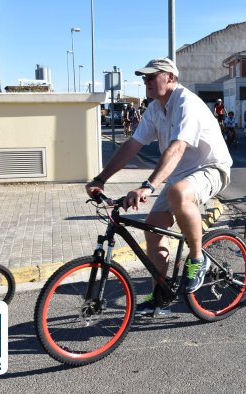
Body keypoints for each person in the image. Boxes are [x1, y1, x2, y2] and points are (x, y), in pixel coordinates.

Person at [85, 57, 232, 316]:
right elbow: (132, 145)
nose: (147, 82)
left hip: (211, 168)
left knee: (178, 192)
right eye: (144, 79)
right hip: (181, 175)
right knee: (153, 231)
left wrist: (148, 186)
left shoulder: (187, 103)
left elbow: (177, 148)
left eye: (152, 77)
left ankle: (198, 258)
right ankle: (161, 295)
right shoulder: (155, 108)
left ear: (171, 78)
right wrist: (100, 179)